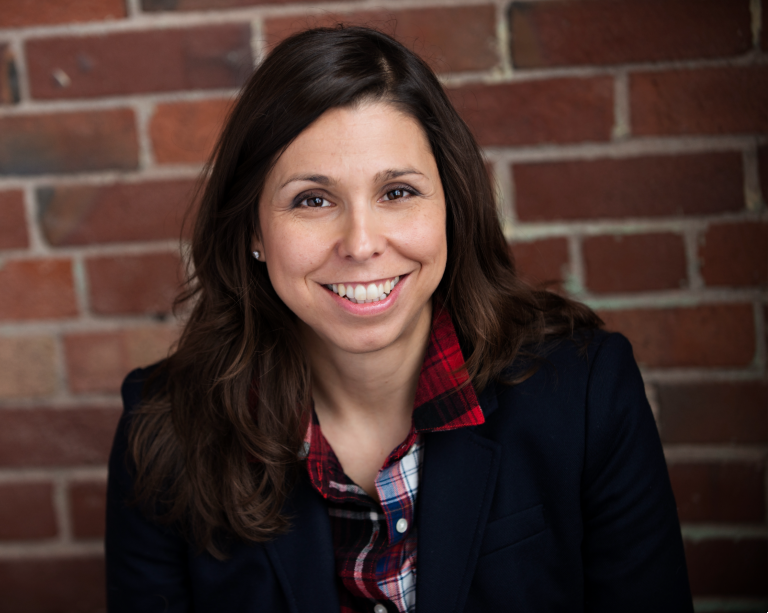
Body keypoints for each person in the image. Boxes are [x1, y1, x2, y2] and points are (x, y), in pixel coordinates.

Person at [105, 25, 693, 613]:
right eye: (313, 199)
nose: (361, 244)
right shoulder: (164, 432)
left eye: (398, 192)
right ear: (253, 231)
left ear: (451, 206)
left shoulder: (584, 394)